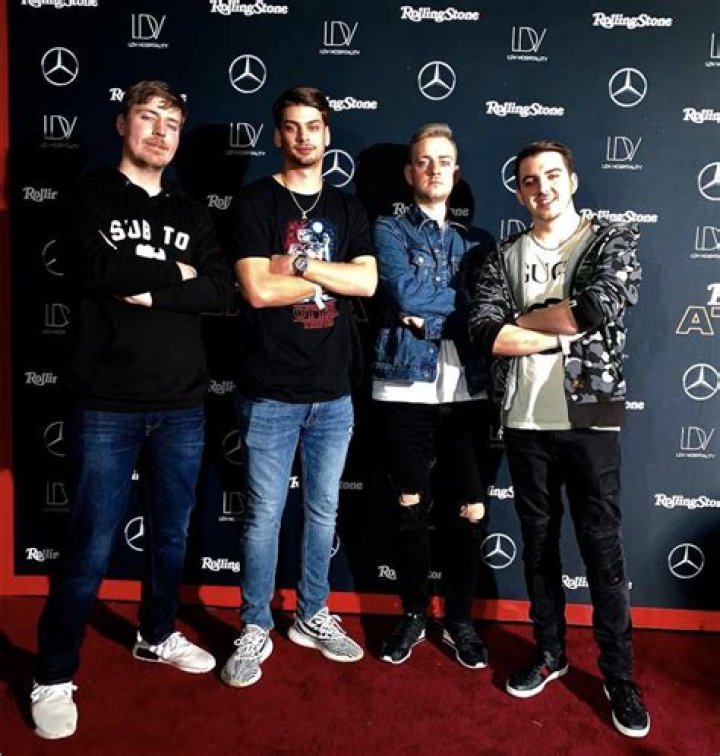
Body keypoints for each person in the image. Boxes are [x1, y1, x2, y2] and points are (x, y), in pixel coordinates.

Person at [30, 80, 234, 740]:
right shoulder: (89, 194)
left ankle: (156, 633)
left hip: (181, 403)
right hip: (106, 403)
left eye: (171, 123)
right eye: (148, 117)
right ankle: (52, 674)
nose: (160, 132)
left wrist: (153, 284)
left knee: (171, 537)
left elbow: (219, 290)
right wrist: (176, 274)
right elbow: (97, 272)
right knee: (90, 543)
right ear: (122, 124)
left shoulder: (192, 210)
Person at [468, 140, 649, 738]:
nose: (541, 188)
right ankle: (550, 651)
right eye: (529, 180)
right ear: (518, 192)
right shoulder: (503, 255)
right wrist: (554, 325)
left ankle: (619, 675)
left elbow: (593, 309)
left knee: (602, 549)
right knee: (538, 546)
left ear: (571, 180)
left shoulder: (612, 239)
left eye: (552, 176)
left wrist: (524, 321)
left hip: (589, 418)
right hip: (524, 421)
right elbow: (486, 333)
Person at [221, 86, 377, 688]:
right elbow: (257, 289)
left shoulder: (347, 207)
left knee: (323, 510)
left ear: (327, 133)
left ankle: (312, 614)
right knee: (263, 515)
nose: (304, 137)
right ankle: (255, 624)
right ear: (278, 135)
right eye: (292, 126)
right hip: (269, 391)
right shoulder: (255, 201)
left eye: (313, 126)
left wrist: (303, 266)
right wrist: (330, 278)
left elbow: (366, 284)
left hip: (333, 391)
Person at [371, 123, 495, 668]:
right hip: (403, 383)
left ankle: (460, 619)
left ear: (456, 171)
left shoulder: (480, 242)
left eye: (444, 161)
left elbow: (488, 307)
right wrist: (449, 307)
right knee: (410, 506)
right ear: (410, 172)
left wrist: (433, 314)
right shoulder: (388, 229)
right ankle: (415, 614)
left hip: (468, 388)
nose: (434, 169)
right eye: (424, 160)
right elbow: (403, 291)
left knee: (470, 509)